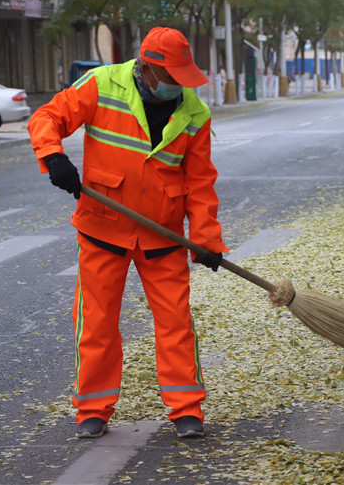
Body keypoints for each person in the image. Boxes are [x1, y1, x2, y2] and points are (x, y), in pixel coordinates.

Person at [28, 27, 228, 439]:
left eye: (182, 78)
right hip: (104, 228)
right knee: (97, 323)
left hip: (164, 235)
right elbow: (47, 116)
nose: (179, 86)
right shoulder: (102, 85)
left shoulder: (194, 112)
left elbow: (201, 184)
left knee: (175, 322)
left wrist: (206, 241)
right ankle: (93, 410)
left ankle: (187, 408)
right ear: (148, 69)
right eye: (172, 77)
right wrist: (53, 156)